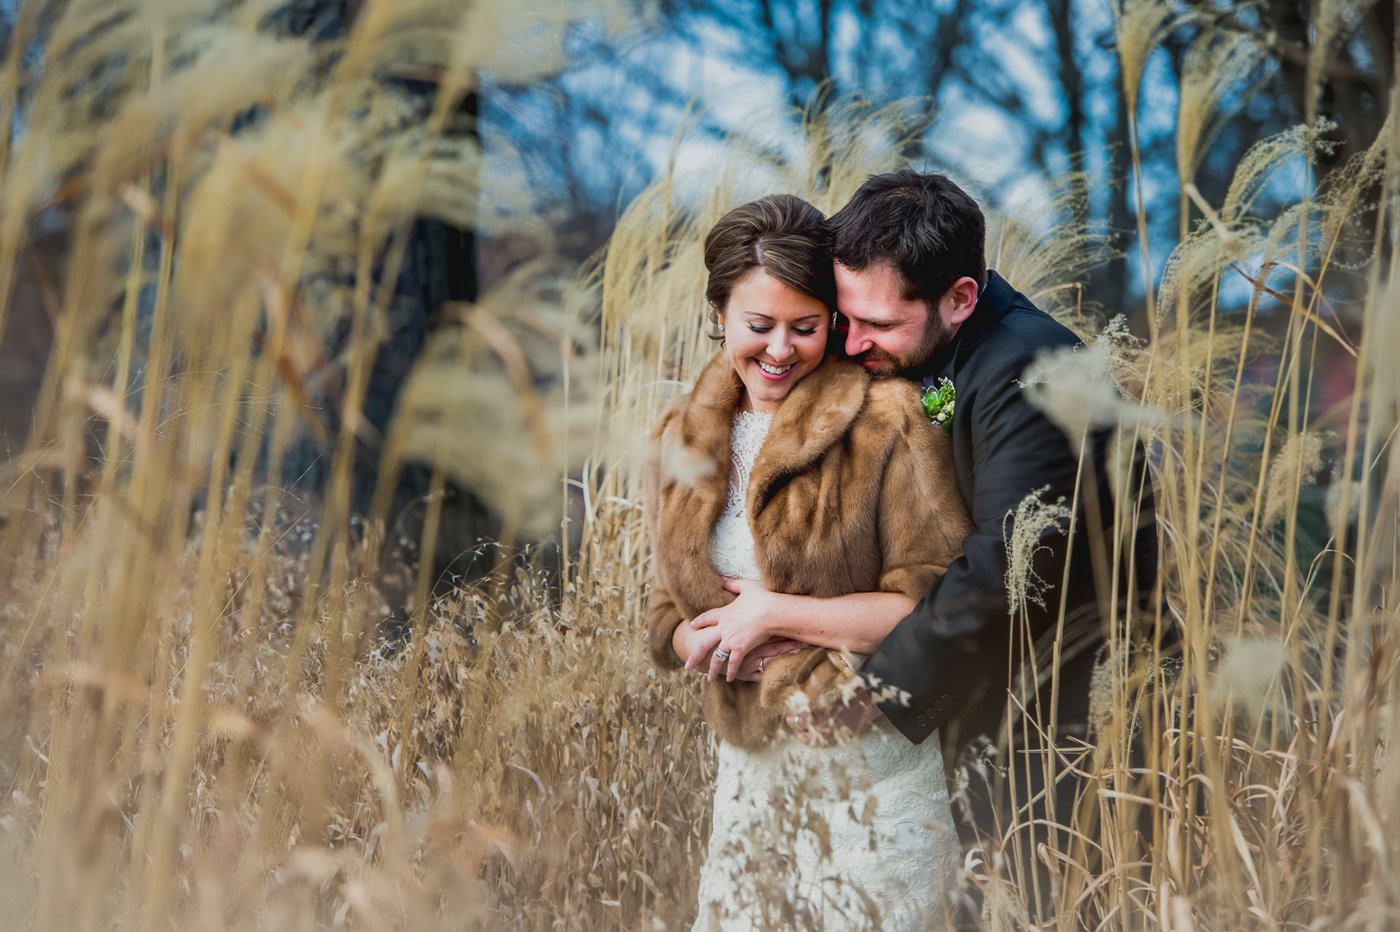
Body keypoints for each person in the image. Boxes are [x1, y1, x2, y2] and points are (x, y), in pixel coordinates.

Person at [692, 172, 1162, 914]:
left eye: (877, 323)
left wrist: (870, 694)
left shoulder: (1033, 371)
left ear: (961, 298)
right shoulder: (935, 353)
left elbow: (1003, 568)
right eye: (845, 317)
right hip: (984, 715)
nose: (852, 341)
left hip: (1062, 727)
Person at [643, 193, 974, 930]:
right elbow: (665, 598)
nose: (780, 349)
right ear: (720, 316)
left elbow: (932, 598)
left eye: (805, 327)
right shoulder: (679, 434)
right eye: (758, 326)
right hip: (750, 775)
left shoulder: (889, 420)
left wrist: (772, 615)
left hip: (870, 774)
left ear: (834, 321)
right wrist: (684, 637)